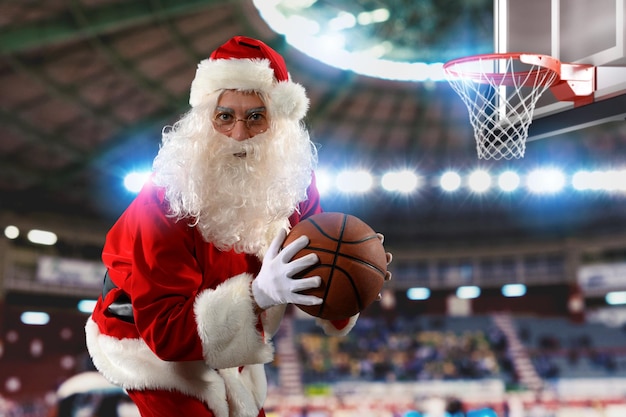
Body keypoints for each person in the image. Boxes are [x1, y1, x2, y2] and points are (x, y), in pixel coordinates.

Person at [85, 35, 392, 417]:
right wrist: (258, 296)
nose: (239, 134)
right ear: (205, 118)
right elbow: (164, 334)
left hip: (229, 338)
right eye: (225, 115)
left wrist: (359, 274)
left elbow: (321, 264)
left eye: (256, 117)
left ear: (278, 123)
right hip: (145, 339)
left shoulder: (293, 180)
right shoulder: (164, 197)